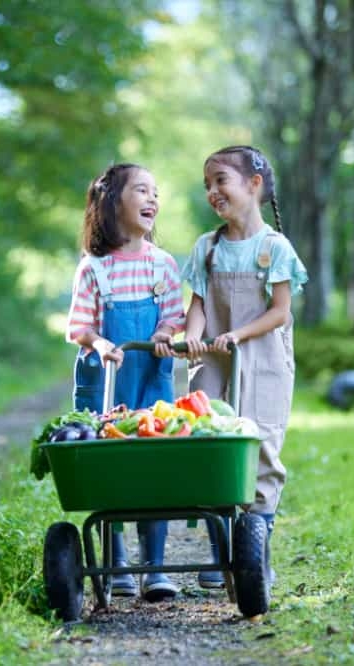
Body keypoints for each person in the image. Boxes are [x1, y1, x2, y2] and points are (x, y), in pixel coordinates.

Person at [180, 145, 307, 589]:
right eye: (207, 184)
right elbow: (197, 305)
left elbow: (280, 312)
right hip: (214, 360)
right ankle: (220, 554)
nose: (212, 191)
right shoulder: (207, 247)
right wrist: (193, 336)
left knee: (262, 446)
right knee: (212, 447)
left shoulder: (275, 247)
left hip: (264, 359)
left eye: (221, 180)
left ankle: (255, 555)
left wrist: (238, 334)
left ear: (253, 185)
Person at [65, 162, 185, 601]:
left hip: (150, 378)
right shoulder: (94, 268)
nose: (153, 199)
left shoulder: (162, 265)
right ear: (113, 202)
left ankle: (154, 566)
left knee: (155, 467)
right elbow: (79, 326)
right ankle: (116, 564)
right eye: (142, 190)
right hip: (107, 381)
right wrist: (100, 344)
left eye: (155, 192)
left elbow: (173, 315)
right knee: (109, 468)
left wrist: (164, 334)